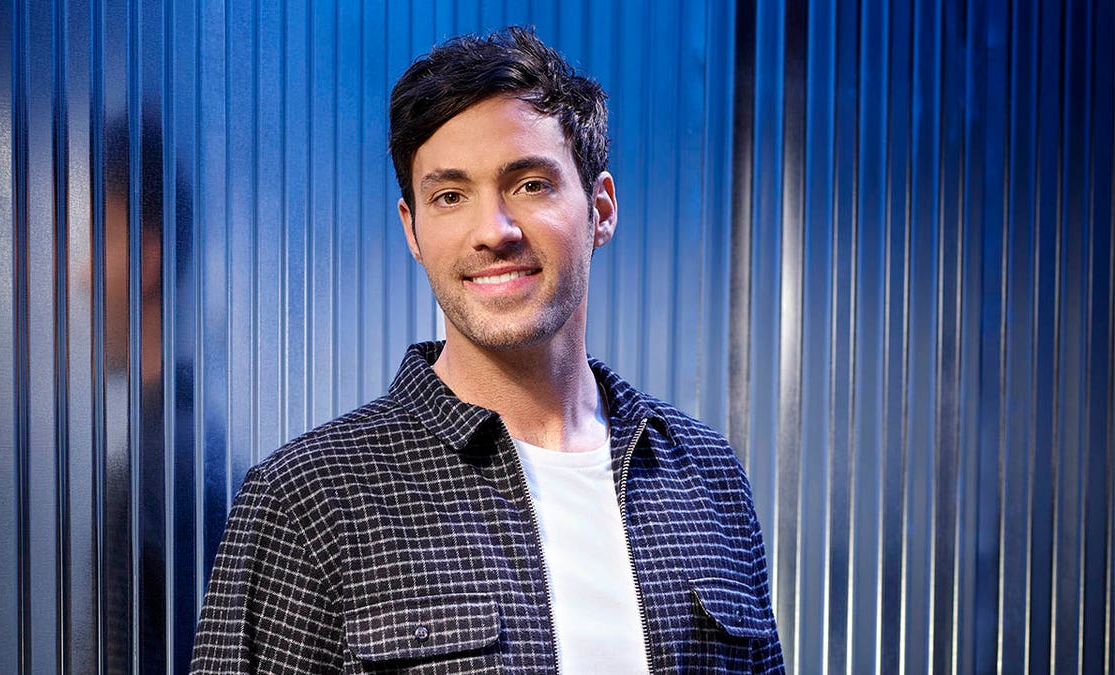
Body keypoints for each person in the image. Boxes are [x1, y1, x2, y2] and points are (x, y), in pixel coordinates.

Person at [190, 26, 784, 674]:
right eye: (449, 196)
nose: (492, 231)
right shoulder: (308, 501)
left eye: (530, 184)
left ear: (601, 209)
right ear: (412, 229)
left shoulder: (708, 478)